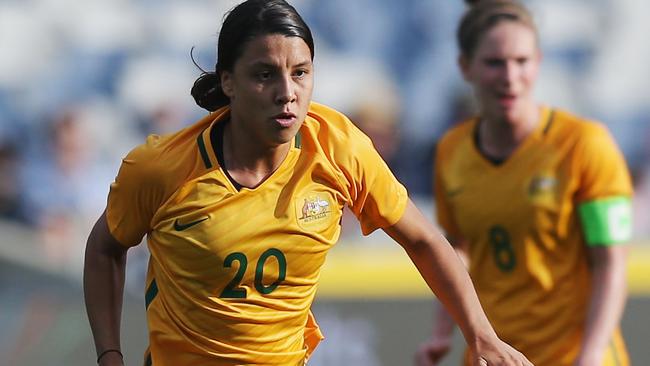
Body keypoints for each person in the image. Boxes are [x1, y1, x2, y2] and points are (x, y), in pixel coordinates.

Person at [83, 1, 533, 365]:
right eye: (264, 75)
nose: (287, 91)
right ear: (228, 82)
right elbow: (106, 247)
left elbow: (424, 241)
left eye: (300, 72)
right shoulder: (162, 168)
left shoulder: (339, 148)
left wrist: (481, 335)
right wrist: (109, 355)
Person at [417, 1, 632, 365]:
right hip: (493, 356)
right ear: (465, 68)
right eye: (494, 63)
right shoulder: (452, 152)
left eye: (522, 61)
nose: (510, 76)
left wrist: (591, 355)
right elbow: (457, 251)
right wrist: (441, 333)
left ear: (539, 63)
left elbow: (610, 261)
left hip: (571, 356)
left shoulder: (584, 145)